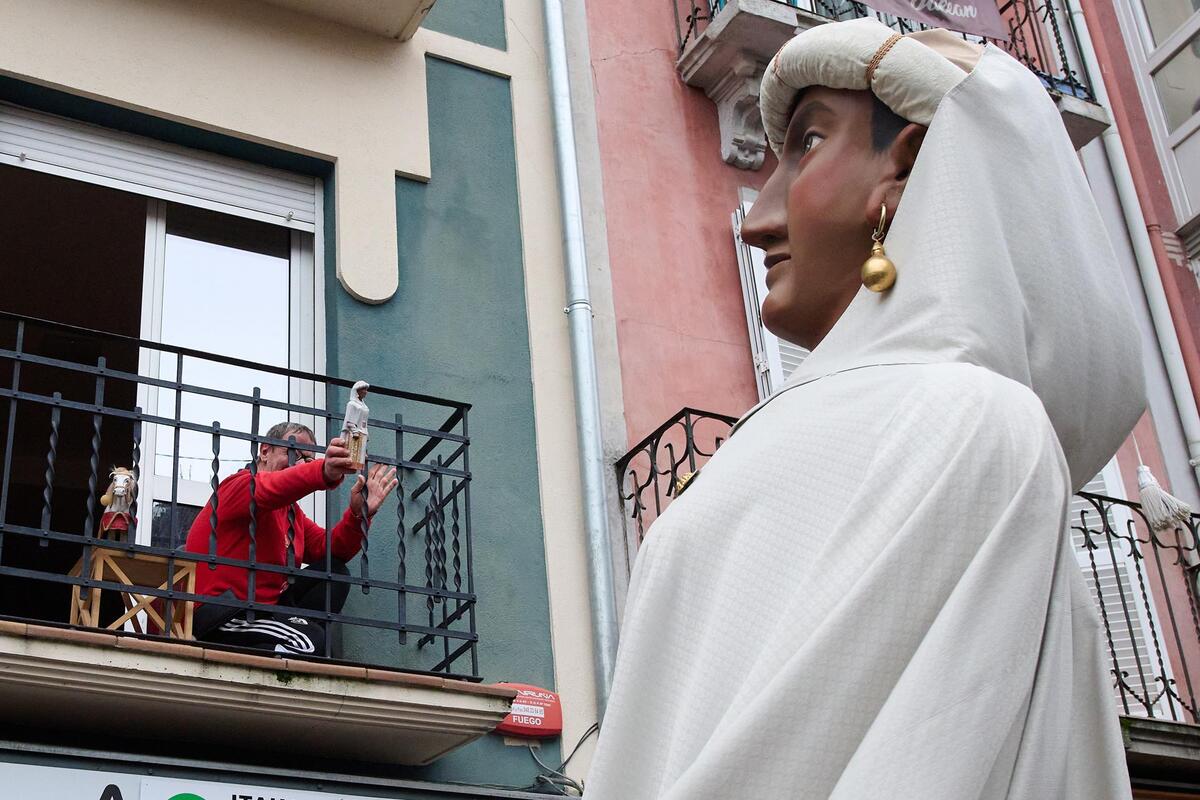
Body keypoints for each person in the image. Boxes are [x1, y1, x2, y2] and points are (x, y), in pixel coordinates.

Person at [585, 19, 1144, 800]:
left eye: (808, 144)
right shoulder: (782, 440)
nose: (756, 220)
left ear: (905, 168)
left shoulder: (974, 422)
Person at [185, 421, 398, 656]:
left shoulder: (291, 513)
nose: (300, 463)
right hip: (224, 614)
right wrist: (322, 470)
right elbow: (272, 488)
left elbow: (331, 549)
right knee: (311, 642)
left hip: (266, 612)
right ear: (265, 451)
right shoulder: (238, 486)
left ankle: (279, 648)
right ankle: (277, 655)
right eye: (294, 452)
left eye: (307, 459)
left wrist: (359, 514)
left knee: (334, 573)